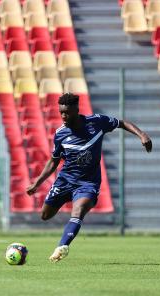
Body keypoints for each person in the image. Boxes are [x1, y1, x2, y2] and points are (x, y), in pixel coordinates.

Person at [26, 93, 152, 262]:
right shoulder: (60, 134)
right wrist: (37, 184)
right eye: (61, 112)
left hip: (88, 182)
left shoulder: (97, 122)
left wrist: (141, 134)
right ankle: (63, 237)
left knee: (78, 211)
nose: (64, 116)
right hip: (65, 180)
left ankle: (62, 246)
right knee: (45, 215)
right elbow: (53, 162)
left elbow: (121, 123)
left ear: (77, 110)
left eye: (67, 112)